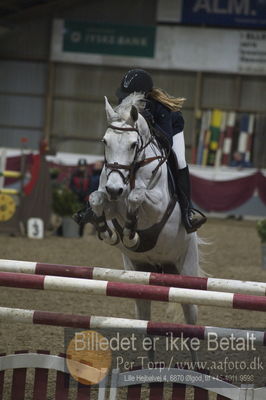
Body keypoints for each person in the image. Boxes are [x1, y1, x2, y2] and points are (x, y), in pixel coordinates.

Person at [115, 68, 206, 233]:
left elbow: (166, 141)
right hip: (144, 138)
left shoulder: (161, 108)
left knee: (179, 161)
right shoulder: (127, 102)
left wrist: (152, 124)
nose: (122, 98)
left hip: (172, 130)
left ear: (140, 93)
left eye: (127, 95)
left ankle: (187, 211)